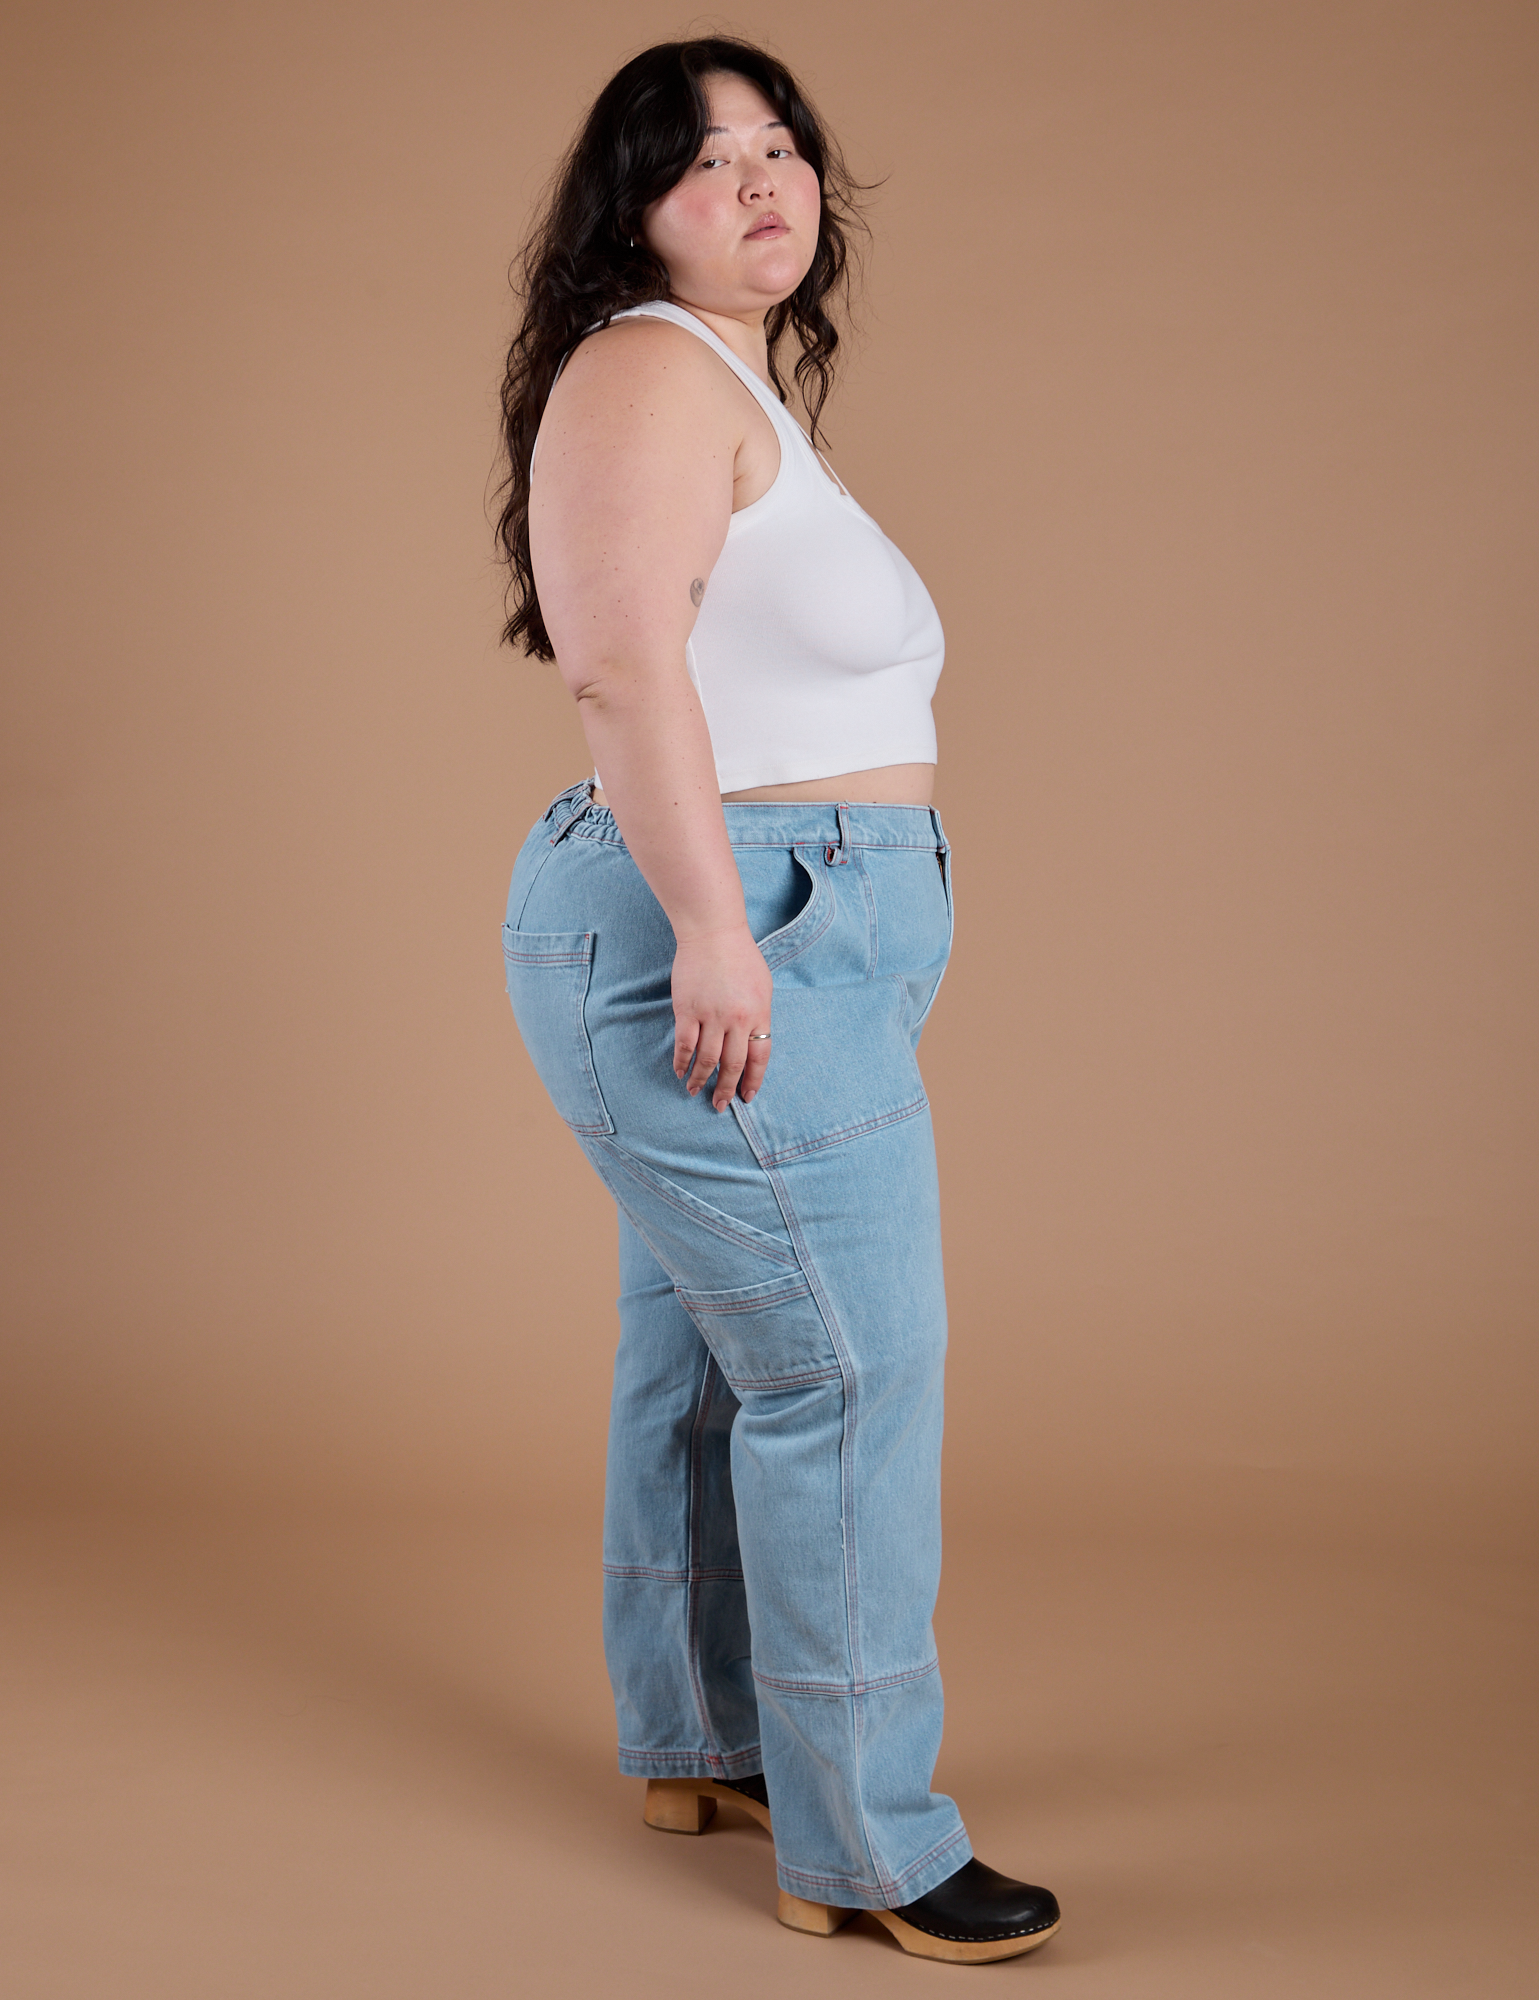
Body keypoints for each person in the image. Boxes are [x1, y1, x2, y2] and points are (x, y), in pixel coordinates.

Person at [494, 37, 1060, 1965]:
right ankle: (865, 1842)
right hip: (732, 914)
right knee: (847, 1369)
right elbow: (620, 666)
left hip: (797, 911)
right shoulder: (645, 369)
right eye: (702, 159)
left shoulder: (732, 387)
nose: (760, 182)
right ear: (632, 212)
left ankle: (707, 1738)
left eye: (779, 145)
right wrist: (713, 928)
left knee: (713, 1341)